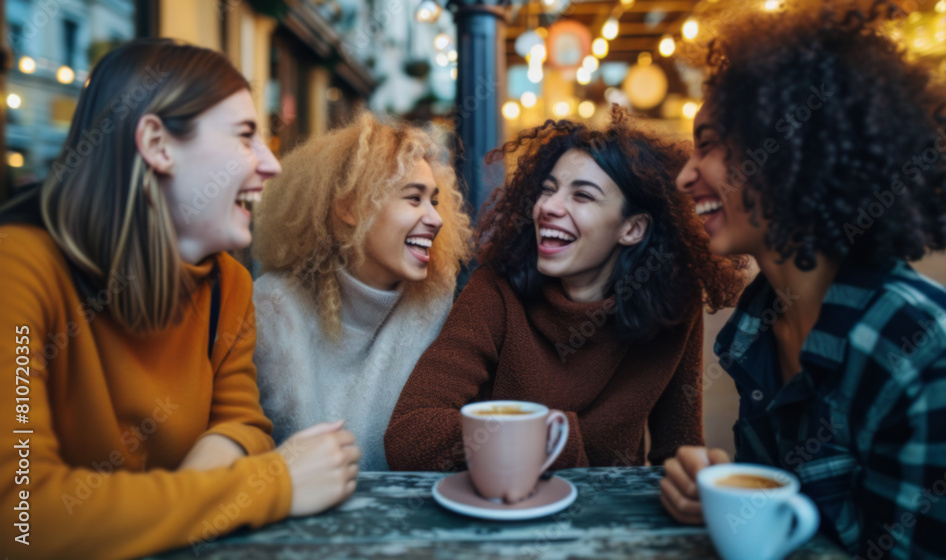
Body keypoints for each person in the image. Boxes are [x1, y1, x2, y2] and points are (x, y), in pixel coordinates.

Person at [660, 5, 946, 558]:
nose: (684, 175)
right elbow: (792, 525)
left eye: (710, 142)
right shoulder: (758, 320)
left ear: (792, 148)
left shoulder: (924, 348)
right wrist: (730, 500)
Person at [0, 39, 360, 559]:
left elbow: (242, 426)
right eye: (244, 136)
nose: (271, 164)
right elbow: (23, 520)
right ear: (157, 144)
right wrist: (272, 484)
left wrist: (177, 510)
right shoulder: (18, 267)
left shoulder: (227, 286)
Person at [384, 107, 745, 471]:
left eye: (582, 196)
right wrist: (552, 436)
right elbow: (409, 436)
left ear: (632, 228)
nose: (547, 208)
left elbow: (677, 452)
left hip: (607, 519)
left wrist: (693, 477)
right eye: (548, 190)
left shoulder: (673, 310)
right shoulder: (495, 292)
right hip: (504, 512)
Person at [251, 112, 472, 470]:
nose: (436, 218)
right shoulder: (274, 304)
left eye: (434, 200)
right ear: (350, 207)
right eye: (414, 199)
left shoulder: (435, 302)